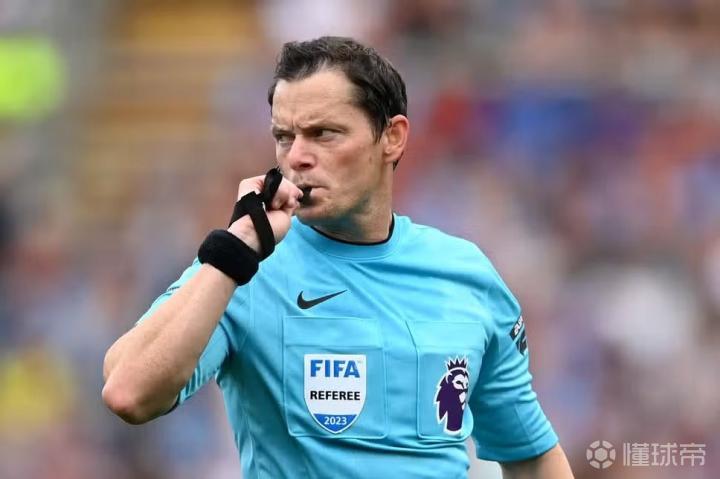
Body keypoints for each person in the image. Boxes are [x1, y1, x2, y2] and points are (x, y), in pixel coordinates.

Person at [102, 36, 574, 478]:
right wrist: (234, 250)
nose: (297, 157)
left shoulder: (466, 275)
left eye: (323, 134)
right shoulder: (244, 268)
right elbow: (128, 392)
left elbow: (531, 456)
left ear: (392, 137)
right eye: (284, 137)